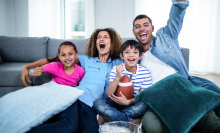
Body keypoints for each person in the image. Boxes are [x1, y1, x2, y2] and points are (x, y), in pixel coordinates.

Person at [132, 0, 220, 132]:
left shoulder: (166, 37)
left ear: (152, 29)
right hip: (160, 100)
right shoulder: (133, 57)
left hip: (183, 90)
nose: (142, 28)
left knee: (210, 123)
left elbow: (176, 15)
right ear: (134, 32)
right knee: (150, 124)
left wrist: (179, 2)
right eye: (138, 26)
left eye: (145, 25)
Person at [21, 28, 124, 133]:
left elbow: (134, 57)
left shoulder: (118, 63)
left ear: (112, 42)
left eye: (105, 37)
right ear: (96, 42)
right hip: (74, 98)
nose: (101, 39)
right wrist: (27, 66)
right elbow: (54, 60)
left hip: (91, 107)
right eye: (99, 37)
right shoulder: (87, 60)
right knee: (68, 126)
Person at [93, 40, 152, 125]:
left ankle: (110, 117)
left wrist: (127, 102)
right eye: (127, 52)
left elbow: (142, 95)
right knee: (97, 102)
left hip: (133, 103)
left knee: (145, 104)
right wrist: (118, 76)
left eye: (135, 52)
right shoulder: (116, 69)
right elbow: (109, 93)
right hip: (115, 102)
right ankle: (129, 120)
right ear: (122, 56)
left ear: (140, 56)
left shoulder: (145, 71)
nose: (131, 55)